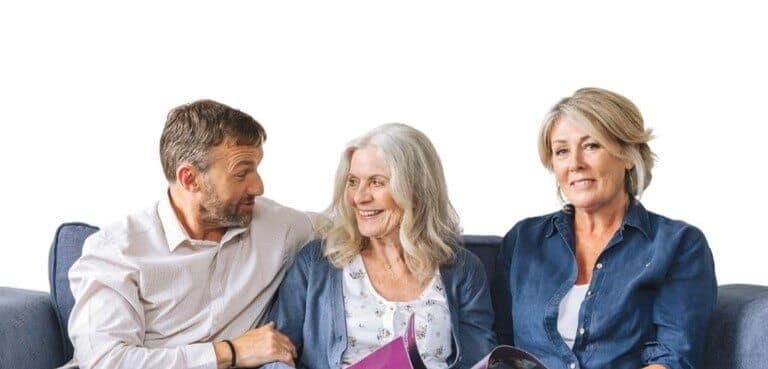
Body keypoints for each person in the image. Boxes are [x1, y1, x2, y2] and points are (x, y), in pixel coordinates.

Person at [66, 100, 321, 369]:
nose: (258, 186)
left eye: (256, 169)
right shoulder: (117, 251)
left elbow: (344, 228)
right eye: (241, 173)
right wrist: (230, 352)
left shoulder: (278, 227)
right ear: (190, 179)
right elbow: (106, 362)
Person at [492, 88, 717, 369]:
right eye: (562, 151)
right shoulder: (522, 241)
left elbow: (672, 359)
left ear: (627, 155)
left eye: (591, 146)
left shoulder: (679, 245)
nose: (575, 164)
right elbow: (498, 347)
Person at [264, 123, 496, 369]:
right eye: (353, 181)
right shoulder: (317, 263)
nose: (359, 197)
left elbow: (479, 360)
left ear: (416, 190)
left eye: (376, 182)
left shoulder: (463, 268)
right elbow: (272, 356)